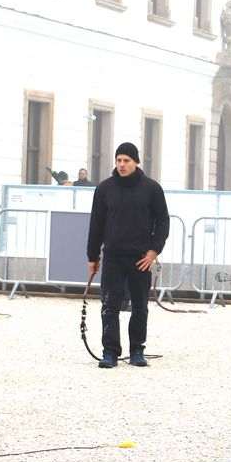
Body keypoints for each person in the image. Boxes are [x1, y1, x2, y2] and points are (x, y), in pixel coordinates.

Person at [86, 143, 169, 368]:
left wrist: (153, 251)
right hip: (113, 256)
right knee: (109, 306)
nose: (121, 165)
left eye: (126, 161)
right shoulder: (105, 189)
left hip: (140, 258)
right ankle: (110, 352)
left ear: (136, 162)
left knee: (140, 306)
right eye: (119, 160)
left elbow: (163, 222)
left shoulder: (152, 189)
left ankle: (137, 350)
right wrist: (92, 257)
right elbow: (96, 225)